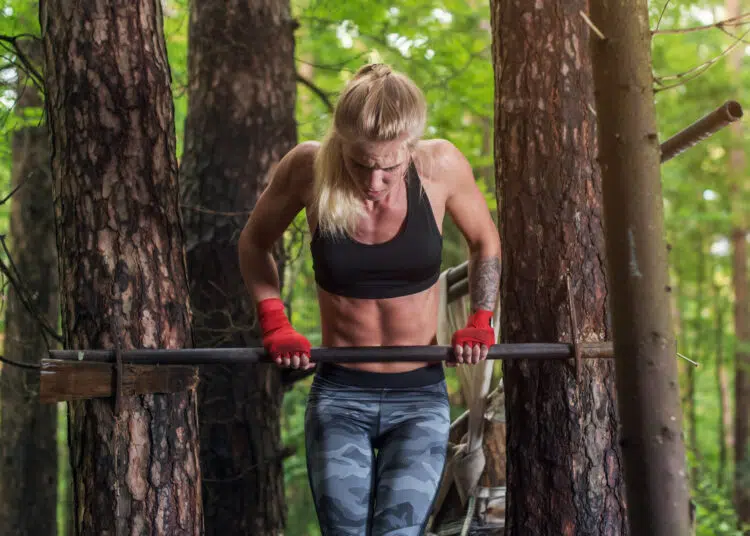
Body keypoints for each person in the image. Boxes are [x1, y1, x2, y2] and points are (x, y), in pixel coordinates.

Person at [238, 63, 501, 536]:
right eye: (361, 164)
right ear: (341, 143)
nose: (374, 181)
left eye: (389, 167)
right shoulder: (307, 166)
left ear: (410, 148)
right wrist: (274, 320)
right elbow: (253, 243)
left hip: (419, 396)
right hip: (341, 394)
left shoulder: (440, 164)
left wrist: (481, 318)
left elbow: (486, 241)